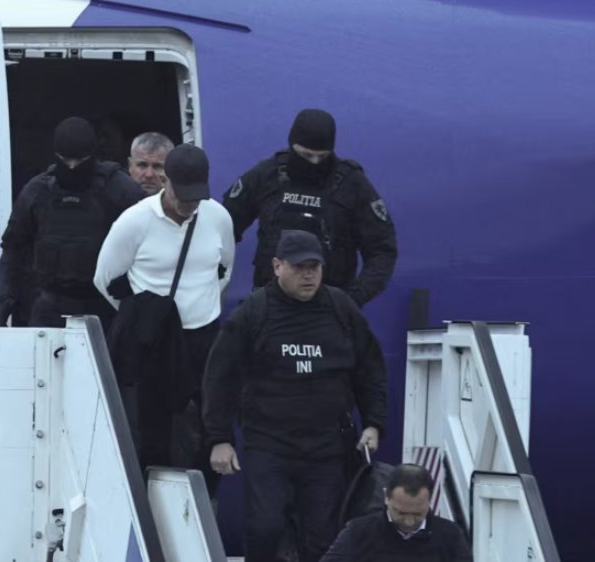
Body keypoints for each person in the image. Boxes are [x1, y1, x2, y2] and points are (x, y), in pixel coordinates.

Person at [203, 229, 388, 562]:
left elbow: (370, 368)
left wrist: (374, 422)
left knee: (322, 538)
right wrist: (219, 438)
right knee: (265, 527)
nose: (308, 275)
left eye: (314, 267)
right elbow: (220, 377)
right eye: (299, 267)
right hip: (269, 443)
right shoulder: (254, 311)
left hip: (328, 445)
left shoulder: (340, 308)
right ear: (277, 266)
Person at [95, 143, 235, 492]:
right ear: (165, 181)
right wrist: (145, 317)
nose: (189, 204)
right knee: (152, 432)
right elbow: (105, 278)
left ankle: (203, 499)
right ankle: (150, 501)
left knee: (208, 429)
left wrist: (199, 305)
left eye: (196, 196)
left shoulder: (217, 217)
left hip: (202, 336)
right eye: (182, 195)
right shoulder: (134, 221)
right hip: (155, 343)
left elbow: (224, 270)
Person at [222, 108, 398, 306]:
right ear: (292, 146)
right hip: (269, 305)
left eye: (322, 157)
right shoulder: (266, 176)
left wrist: (352, 299)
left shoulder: (352, 184)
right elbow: (222, 226)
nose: (314, 162)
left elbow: (382, 249)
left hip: (329, 308)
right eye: (306, 155)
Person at [0, 116, 141, 328]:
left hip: (104, 304)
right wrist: (6, 299)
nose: (72, 167)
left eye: (80, 162)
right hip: (49, 305)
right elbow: (13, 247)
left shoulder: (120, 190)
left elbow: (147, 244)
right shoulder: (38, 191)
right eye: (66, 161)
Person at [320, 464, 473, 562]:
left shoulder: (450, 535)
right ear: (386, 497)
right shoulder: (358, 532)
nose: (409, 522)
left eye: (418, 514)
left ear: (430, 500)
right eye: (401, 513)